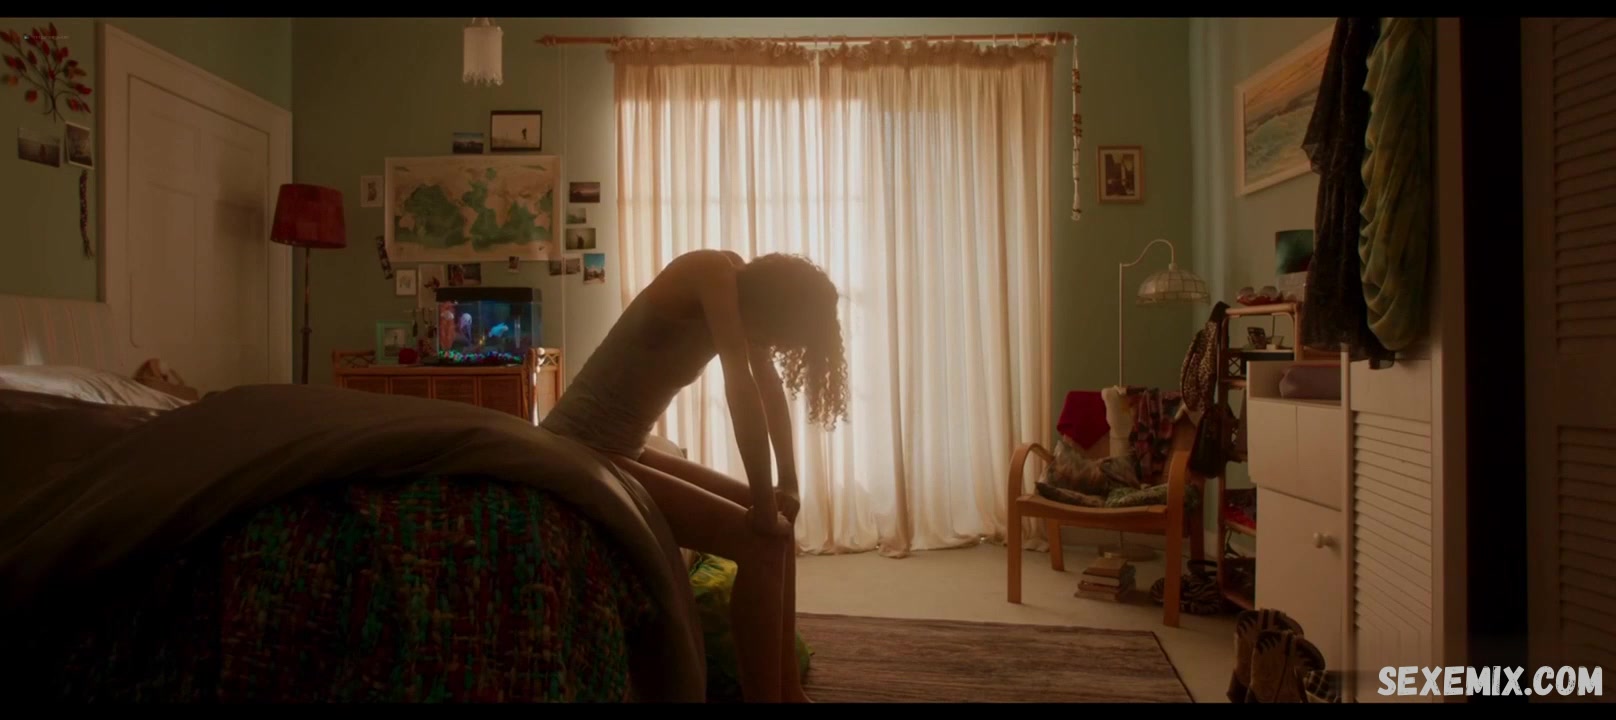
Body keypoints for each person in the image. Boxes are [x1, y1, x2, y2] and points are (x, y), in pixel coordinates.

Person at [541, 249, 848, 703]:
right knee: (760, 540)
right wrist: (763, 504)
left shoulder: (744, 300)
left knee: (779, 532)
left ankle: (788, 691)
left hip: (625, 446)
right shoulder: (709, 272)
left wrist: (788, 484)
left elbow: (768, 386)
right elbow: (740, 386)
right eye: (780, 334)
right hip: (578, 445)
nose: (775, 344)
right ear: (773, 305)